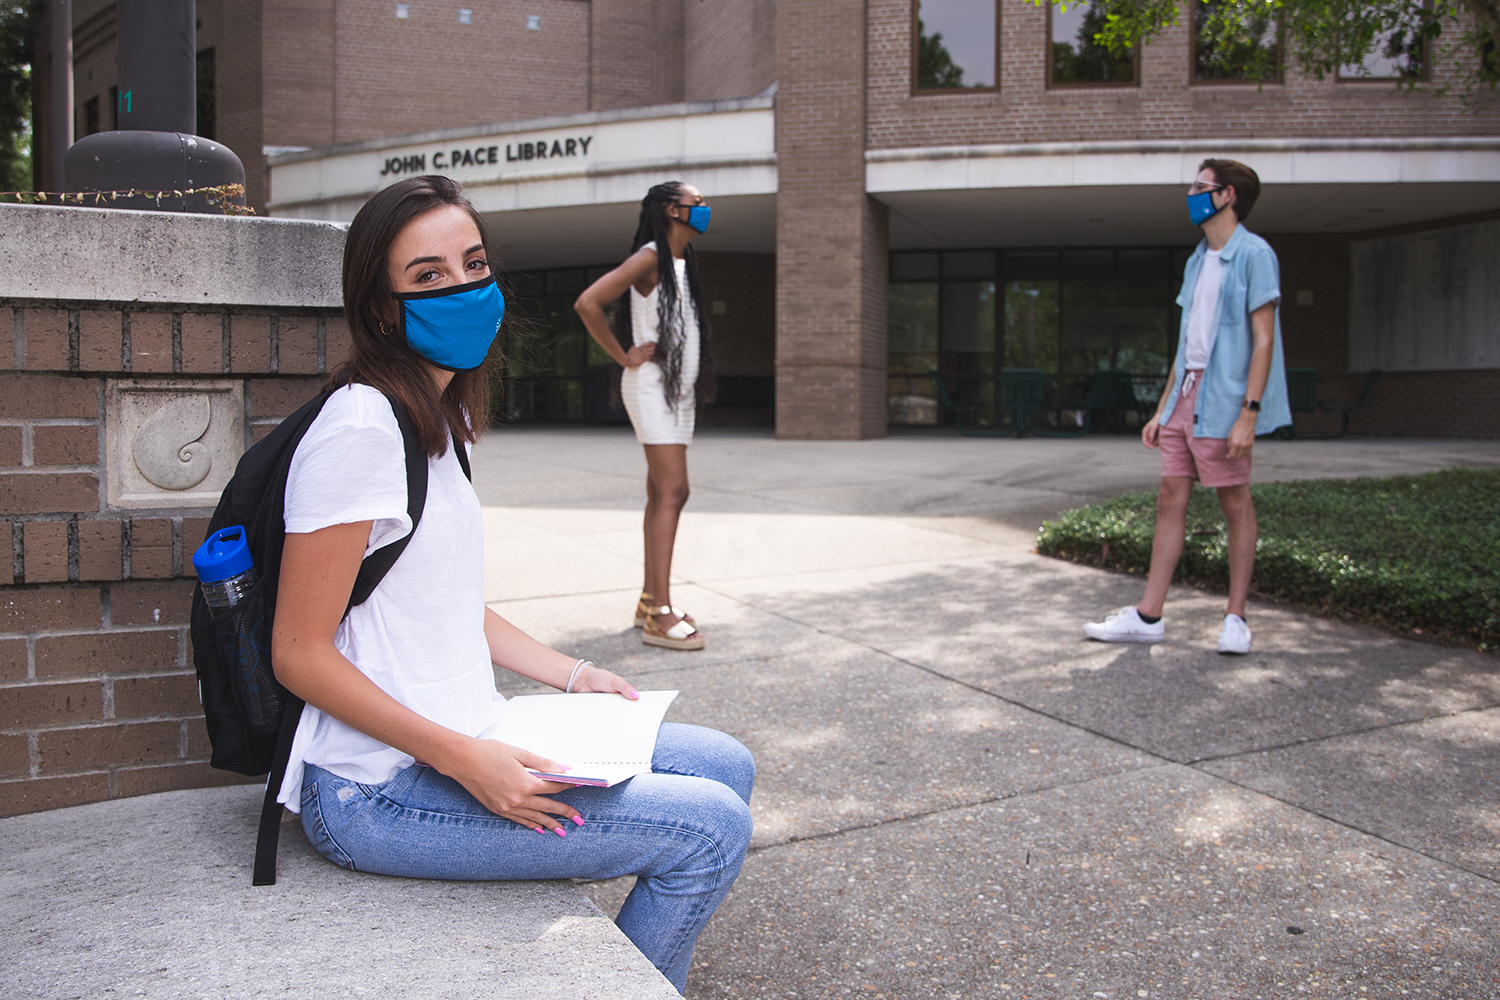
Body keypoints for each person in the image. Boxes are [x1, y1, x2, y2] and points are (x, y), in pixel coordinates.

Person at [271, 175, 753, 994]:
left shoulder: (438, 419)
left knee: (726, 764)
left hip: (470, 729)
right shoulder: (359, 426)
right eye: (427, 276)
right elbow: (298, 652)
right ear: (382, 305)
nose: (462, 288)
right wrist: (467, 760)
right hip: (374, 790)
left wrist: (573, 676)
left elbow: (447, 598)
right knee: (709, 830)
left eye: (474, 264)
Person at [1084, 159, 1290, 655]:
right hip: (1185, 395)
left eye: (1200, 187)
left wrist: (1250, 412)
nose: (1191, 194)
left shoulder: (1255, 254)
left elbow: (1263, 341)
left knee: (1234, 502)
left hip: (1225, 397)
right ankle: (1149, 615)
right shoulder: (1197, 259)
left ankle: (1235, 619)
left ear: (1228, 195)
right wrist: (1161, 409)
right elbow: (1186, 344)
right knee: (1169, 498)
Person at [574, 182, 714, 651]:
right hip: (652, 387)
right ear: (672, 210)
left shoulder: (680, 263)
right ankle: (659, 615)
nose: (705, 210)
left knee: (661, 491)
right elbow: (588, 302)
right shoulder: (650, 256)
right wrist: (624, 356)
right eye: (698, 204)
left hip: (675, 392)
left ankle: (650, 600)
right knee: (675, 489)